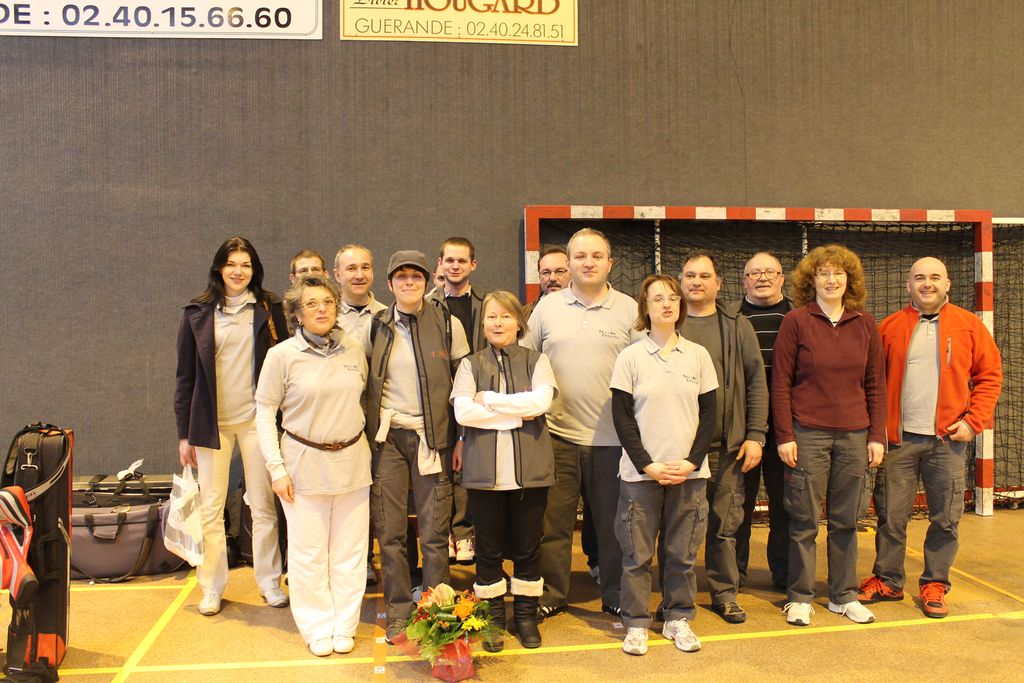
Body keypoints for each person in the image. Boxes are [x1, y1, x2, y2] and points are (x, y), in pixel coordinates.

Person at [858, 257, 1001, 618]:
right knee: (890, 516)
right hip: (899, 442)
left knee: (946, 518)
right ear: (908, 285)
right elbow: (871, 383)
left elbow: (990, 376)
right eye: (919, 277)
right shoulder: (889, 327)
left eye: (935, 277)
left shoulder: (970, 326)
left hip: (946, 442)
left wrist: (973, 422)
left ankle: (935, 582)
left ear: (947, 284)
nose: (927, 283)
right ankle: (888, 580)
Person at [523, 227, 642, 620]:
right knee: (553, 525)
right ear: (569, 263)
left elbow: (644, 370)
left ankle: (614, 593)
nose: (588, 263)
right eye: (580, 256)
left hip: (613, 440)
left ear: (611, 263)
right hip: (556, 437)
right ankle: (553, 593)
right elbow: (526, 362)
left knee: (611, 526)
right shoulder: (547, 309)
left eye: (596, 256)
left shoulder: (629, 309)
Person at [254, 275, 371, 657]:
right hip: (302, 467)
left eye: (328, 302)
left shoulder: (354, 348)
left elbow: (363, 399)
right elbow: (264, 412)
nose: (321, 309)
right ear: (297, 314)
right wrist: (276, 468)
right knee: (308, 555)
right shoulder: (282, 355)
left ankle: (344, 625)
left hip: (353, 463)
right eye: (311, 304)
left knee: (350, 553)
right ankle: (317, 626)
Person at [772, 244, 886, 626]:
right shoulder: (796, 321)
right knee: (803, 520)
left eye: (838, 273)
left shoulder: (865, 324)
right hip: (807, 435)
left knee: (846, 521)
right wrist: (785, 435)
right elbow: (780, 383)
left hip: (855, 436)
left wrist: (877, 435)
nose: (831, 280)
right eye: (824, 273)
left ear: (849, 280)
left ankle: (843, 596)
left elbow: (876, 384)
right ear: (812, 280)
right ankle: (800, 596)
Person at [173, 236, 288, 617]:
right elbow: (185, 377)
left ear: (254, 270)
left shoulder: (269, 308)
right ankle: (211, 586)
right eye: (231, 264)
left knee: (263, 505)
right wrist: (184, 434)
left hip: (257, 421)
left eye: (246, 265)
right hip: (212, 424)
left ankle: (269, 582)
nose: (238, 272)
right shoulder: (197, 312)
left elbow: (287, 364)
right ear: (219, 268)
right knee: (211, 507)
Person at [365, 250, 471, 644]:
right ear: (389, 284)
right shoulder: (376, 325)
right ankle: (398, 612)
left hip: (434, 439)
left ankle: (438, 613)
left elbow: (464, 383)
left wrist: (461, 437)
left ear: (428, 282)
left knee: (434, 533)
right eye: (401, 276)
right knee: (390, 532)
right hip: (388, 439)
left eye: (416, 276)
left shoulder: (447, 323)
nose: (408, 282)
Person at [612, 275, 718, 656]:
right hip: (641, 476)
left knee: (682, 554)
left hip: (689, 475)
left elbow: (709, 416)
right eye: (658, 298)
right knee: (636, 556)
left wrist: (691, 462)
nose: (667, 304)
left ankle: (678, 618)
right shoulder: (630, 357)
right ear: (646, 307)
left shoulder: (698, 356)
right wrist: (647, 465)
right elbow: (622, 418)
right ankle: (636, 623)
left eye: (673, 298)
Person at [451, 291, 557, 651]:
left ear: (519, 323)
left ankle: (525, 617)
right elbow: (463, 412)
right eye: (492, 317)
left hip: (531, 474)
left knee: (528, 549)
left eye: (506, 316)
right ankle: (493, 618)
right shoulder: (470, 365)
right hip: (484, 476)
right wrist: (516, 414)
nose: (498, 323)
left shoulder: (537, 360)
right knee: (488, 551)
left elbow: (540, 402)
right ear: (483, 324)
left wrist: (490, 401)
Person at [678, 254, 768, 624]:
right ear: (680, 282)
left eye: (705, 276)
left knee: (725, 526)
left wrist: (755, 435)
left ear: (718, 283)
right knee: (678, 527)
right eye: (689, 275)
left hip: (725, 448)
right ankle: (675, 597)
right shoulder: (667, 322)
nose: (696, 282)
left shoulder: (736, 325)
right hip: (679, 448)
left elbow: (756, 381)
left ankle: (725, 594)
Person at [732, 252, 793, 591]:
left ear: (782, 278)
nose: (762, 278)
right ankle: (733, 577)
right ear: (744, 280)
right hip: (741, 431)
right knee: (736, 507)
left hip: (786, 430)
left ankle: (784, 576)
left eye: (770, 272)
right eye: (754, 273)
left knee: (786, 508)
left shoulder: (798, 318)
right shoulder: (730, 319)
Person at [428, 237, 486, 565]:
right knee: (441, 468)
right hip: (437, 401)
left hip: (475, 398)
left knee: (467, 467)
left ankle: (464, 532)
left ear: (473, 265)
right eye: (449, 260)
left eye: (462, 261)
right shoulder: (426, 305)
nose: (455, 266)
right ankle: (444, 535)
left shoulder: (485, 304)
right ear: (440, 263)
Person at [332, 244, 387, 585]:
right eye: (351, 268)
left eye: (365, 267)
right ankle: (334, 562)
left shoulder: (387, 315)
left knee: (368, 494)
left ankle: (364, 558)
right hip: (335, 420)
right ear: (336, 274)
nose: (359, 274)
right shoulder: (325, 314)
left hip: (374, 420)